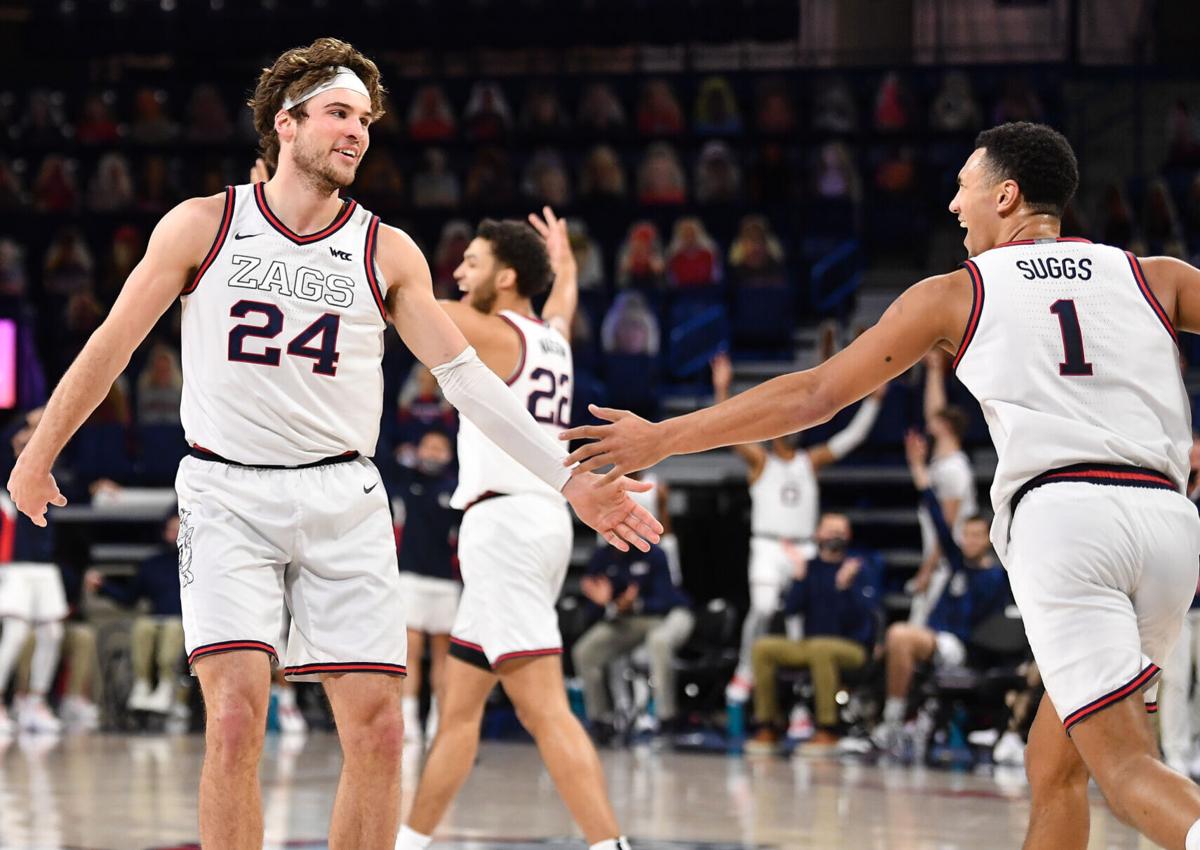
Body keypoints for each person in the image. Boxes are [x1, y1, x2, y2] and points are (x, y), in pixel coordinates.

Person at [6, 38, 658, 850]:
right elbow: (112, 344)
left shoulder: (386, 249)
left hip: (343, 495)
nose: (357, 132)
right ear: (286, 123)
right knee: (235, 720)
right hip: (228, 491)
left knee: (381, 730)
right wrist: (37, 454)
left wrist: (569, 479)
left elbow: (466, 379)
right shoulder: (203, 225)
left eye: (366, 121)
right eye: (339, 114)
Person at [562, 121, 1200, 850]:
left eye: (963, 186)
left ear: (1006, 195)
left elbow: (814, 396)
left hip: (1070, 521)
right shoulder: (1156, 275)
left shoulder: (958, 292)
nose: (954, 205)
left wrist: (664, 438)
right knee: (1055, 763)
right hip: (1169, 526)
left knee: (1125, 769)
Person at [396, 212, 633, 850]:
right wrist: (566, 266)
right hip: (538, 523)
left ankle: (610, 846)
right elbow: (562, 302)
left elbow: (404, 300)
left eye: (471, 262)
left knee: (543, 708)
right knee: (458, 710)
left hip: (505, 529)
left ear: (505, 278)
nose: (458, 271)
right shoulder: (551, 337)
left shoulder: (495, 332)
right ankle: (411, 841)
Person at [711, 351, 884, 704]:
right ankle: (745, 669)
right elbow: (725, 432)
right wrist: (721, 390)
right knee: (763, 608)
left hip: (806, 547)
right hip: (768, 547)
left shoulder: (810, 461)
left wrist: (873, 403)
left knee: (809, 615)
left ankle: (803, 692)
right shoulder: (761, 461)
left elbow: (851, 439)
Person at [872, 431, 1008, 756]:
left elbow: (991, 627)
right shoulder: (959, 565)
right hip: (939, 639)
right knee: (891, 641)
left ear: (989, 539)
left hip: (963, 645)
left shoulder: (997, 576)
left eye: (977, 535)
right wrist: (919, 470)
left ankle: (892, 720)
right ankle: (894, 718)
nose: (970, 541)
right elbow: (939, 522)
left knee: (900, 635)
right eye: (967, 535)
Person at [746, 512, 879, 753]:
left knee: (821, 648)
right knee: (763, 648)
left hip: (853, 648)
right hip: (811, 644)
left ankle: (827, 728)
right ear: (817, 535)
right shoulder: (810, 568)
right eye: (830, 531)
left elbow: (865, 619)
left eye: (840, 532)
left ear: (848, 536)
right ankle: (769, 724)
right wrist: (798, 578)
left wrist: (845, 588)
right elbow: (791, 609)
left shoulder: (859, 569)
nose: (835, 536)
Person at [572, 541, 693, 741]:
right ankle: (601, 720)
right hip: (627, 619)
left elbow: (665, 599)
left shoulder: (653, 553)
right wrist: (604, 604)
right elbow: (592, 612)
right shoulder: (602, 557)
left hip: (665, 615)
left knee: (658, 642)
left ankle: (666, 718)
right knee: (585, 651)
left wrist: (634, 603)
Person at [391, 428, 461, 749]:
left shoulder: (456, 490)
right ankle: (408, 720)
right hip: (410, 578)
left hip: (445, 581)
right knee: (411, 651)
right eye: (428, 446)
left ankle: (437, 720)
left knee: (443, 655)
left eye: (439, 448)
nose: (433, 453)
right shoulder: (405, 483)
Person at [86, 508, 185, 715]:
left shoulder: (194, 564)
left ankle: (167, 685)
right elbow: (129, 598)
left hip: (184, 622)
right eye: (171, 530)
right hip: (157, 618)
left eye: (178, 530)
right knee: (143, 626)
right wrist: (103, 586)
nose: (174, 535)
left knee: (173, 628)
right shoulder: (152, 564)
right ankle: (142, 684)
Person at [906, 353, 978, 627]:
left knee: (922, 629)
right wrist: (934, 370)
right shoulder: (942, 459)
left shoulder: (954, 469)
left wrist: (927, 569)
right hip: (939, 557)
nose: (929, 423)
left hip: (946, 562)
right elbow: (934, 411)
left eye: (937, 422)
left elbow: (946, 524)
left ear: (946, 427)